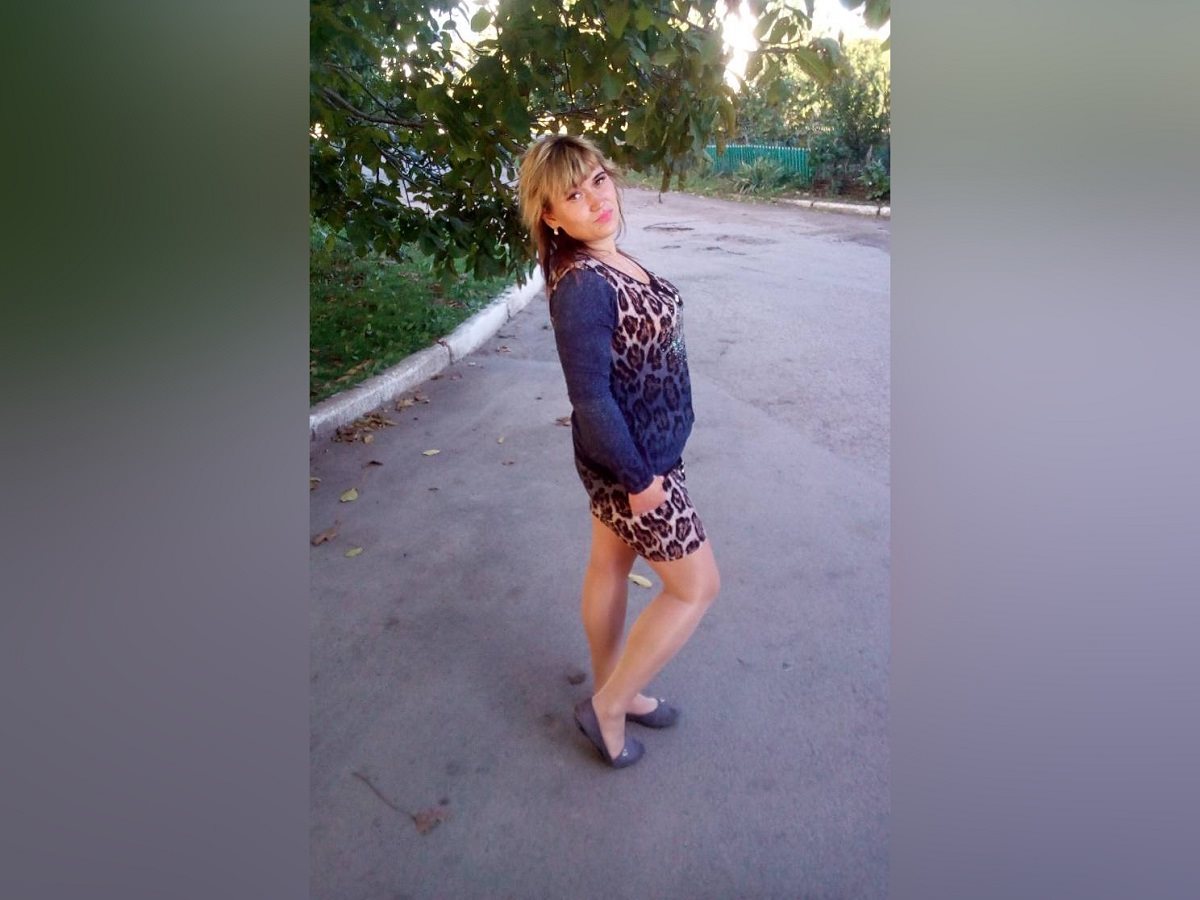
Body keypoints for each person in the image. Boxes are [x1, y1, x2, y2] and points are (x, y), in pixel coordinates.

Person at [517, 134, 721, 769]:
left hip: (637, 455)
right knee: (696, 587)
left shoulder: (606, 258)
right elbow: (590, 398)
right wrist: (638, 478)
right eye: (572, 194)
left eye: (598, 180)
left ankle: (618, 689)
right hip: (634, 465)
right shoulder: (583, 284)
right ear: (550, 216)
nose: (595, 199)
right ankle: (607, 706)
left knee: (608, 564)